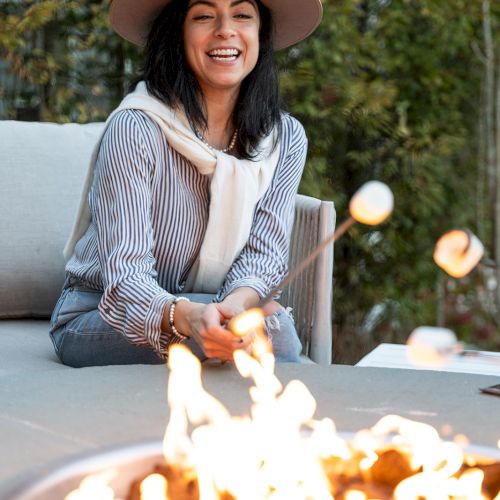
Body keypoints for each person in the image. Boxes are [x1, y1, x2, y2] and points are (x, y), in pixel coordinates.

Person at [49, 0, 323, 367]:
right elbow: (126, 280)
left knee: (268, 330)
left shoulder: (284, 138)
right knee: (279, 342)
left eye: (242, 15)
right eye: (204, 16)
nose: (225, 30)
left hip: (211, 301)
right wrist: (192, 320)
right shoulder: (135, 128)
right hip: (102, 313)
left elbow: (264, 256)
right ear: (177, 32)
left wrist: (234, 311)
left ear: (261, 33)